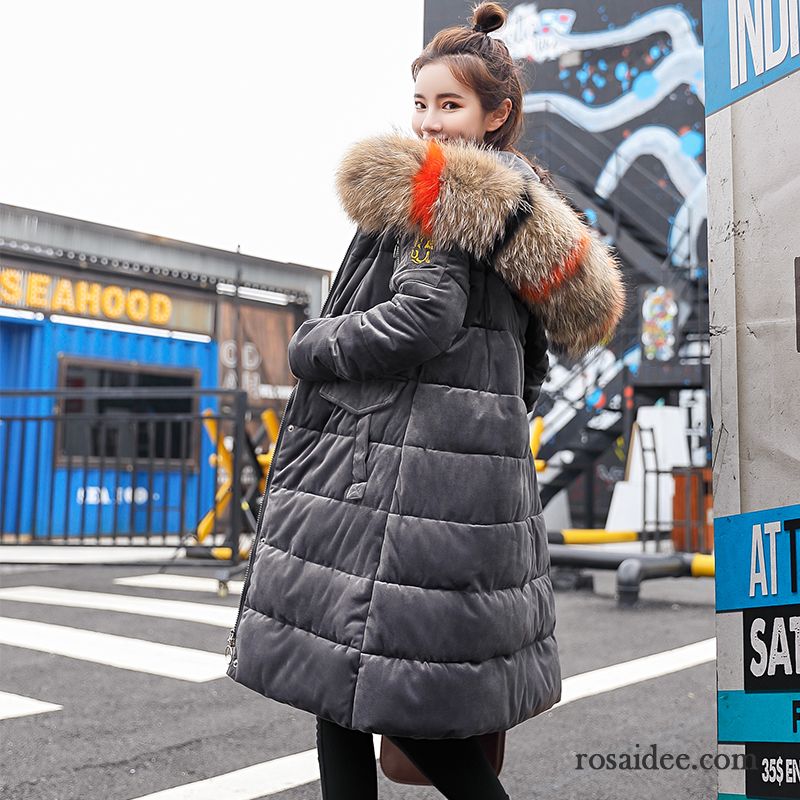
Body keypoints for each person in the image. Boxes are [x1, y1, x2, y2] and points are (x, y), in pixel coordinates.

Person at [225, 2, 625, 798]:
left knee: (371, 685)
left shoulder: (445, 193)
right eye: (421, 103)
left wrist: (310, 346)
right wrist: (481, 423)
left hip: (389, 481)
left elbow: (422, 317)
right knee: (341, 683)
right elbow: (530, 363)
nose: (430, 123)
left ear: (495, 113)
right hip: (457, 482)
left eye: (451, 105)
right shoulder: (523, 213)